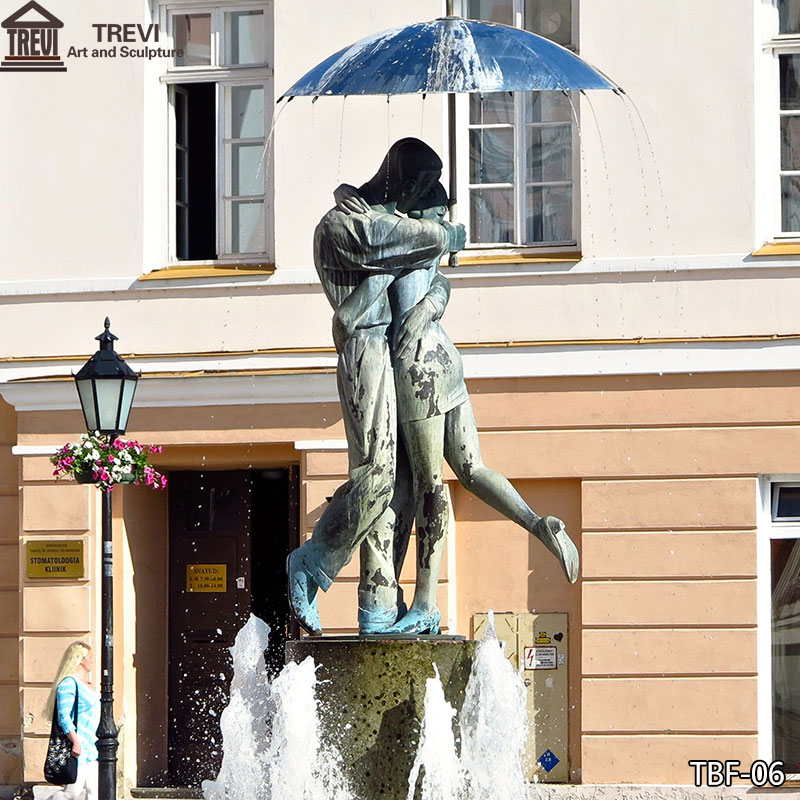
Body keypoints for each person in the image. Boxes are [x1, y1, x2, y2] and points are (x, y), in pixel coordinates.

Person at [338, 182, 579, 635]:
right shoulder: (427, 238)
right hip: (446, 359)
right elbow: (441, 277)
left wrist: (344, 199)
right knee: (471, 469)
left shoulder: (397, 236)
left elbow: (364, 226)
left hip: (417, 369)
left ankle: (426, 602)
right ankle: (537, 521)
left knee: (428, 485)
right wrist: (432, 301)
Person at [286, 138, 464, 635]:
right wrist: (448, 232)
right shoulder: (345, 223)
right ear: (403, 180)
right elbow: (411, 242)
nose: (423, 193)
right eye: (421, 185)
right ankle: (312, 560)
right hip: (363, 349)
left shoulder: (376, 217)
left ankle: (384, 598)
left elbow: (425, 269)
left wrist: (434, 292)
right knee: (379, 474)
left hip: (387, 349)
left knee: (402, 480)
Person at [42, 641, 100, 800]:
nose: (92, 661)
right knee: (72, 792)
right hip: (79, 747)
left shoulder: (87, 685)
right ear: (81, 659)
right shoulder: (68, 684)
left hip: (92, 746)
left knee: (94, 792)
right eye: (90, 657)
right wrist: (75, 741)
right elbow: (64, 717)